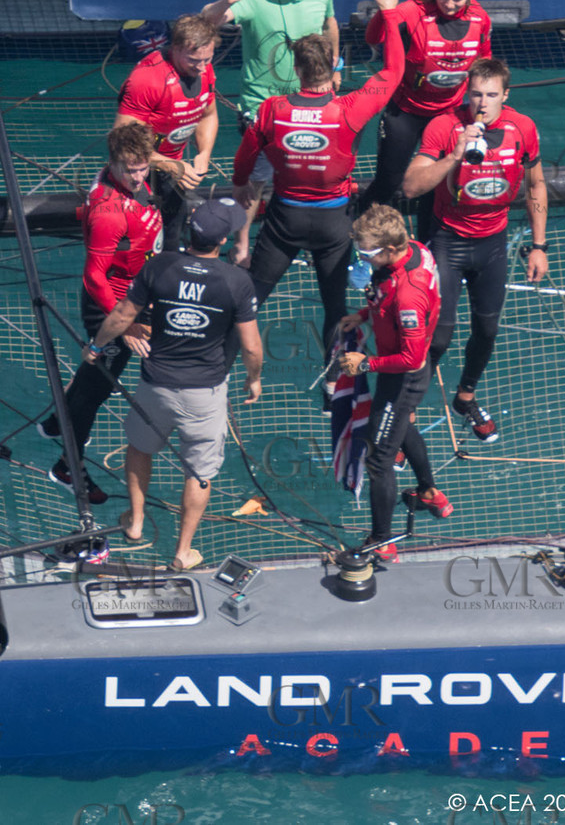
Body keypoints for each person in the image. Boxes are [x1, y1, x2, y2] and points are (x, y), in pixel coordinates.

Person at [82, 198, 262, 571]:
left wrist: (96, 346)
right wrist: (254, 377)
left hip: (156, 384)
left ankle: (134, 522)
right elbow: (250, 346)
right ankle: (182, 552)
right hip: (204, 393)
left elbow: (122, 315)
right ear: (223, 240)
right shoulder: (237, 281)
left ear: (192, 230)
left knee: (139, 448)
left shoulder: (160, 265)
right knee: (199, 473)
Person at [231, 29, 403, 352]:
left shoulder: (271, 109)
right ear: (335, 67)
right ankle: (332, 396)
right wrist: (390, 15)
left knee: (248, 301)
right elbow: (394, 71)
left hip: (284, 221)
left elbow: (246, 158)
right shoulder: (350, 108)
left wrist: (240, 183)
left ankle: (215, 377)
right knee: (336, 310)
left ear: (296, 70)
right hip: (334, 224)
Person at [402, 57, 546, 441]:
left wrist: (538, 245)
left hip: (492, 242)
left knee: (487, 328)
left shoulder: (523, 128)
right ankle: (406, 413)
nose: (483, 103)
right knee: (439, 336)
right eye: (477, 94)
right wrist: (454, 155)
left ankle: (465, 396)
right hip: (447, 239)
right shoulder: (444, 125)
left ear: (506, 95)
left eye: (492, 95)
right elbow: (412, 187)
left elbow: (536, 186)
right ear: (467, 93)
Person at [39, 122, 163, 504]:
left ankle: (54, 423)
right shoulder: (109, 213)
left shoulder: (140, 181)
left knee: (93, 374)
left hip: (136, 297)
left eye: (144, 167)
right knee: (96, 391)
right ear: (112, 163)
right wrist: (121, 326)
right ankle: (67, 467)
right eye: (130, 169)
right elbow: (93, 276)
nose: (138, 176)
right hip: (113, 306)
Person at [201, 0, 340, 265]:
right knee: (255, 181)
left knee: (301, 173)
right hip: (262, 109)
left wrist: (336, 67)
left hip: (310, 102)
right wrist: (227, 2)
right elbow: (205, 20)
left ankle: (293, 239)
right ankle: (242, 248)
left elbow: (330, 22)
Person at [336, 204, 449, 563]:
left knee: (379, 460)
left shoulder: (408, 295)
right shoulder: (416, 249)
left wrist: (364, 363)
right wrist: (365, 314)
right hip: (407, 369)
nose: (362, 258)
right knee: (402, 427)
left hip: (402, 377)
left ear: (387, 250)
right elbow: (384, 295)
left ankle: (382, 540)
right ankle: (430, 492)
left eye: (366, 253)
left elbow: (411, 358)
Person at [361, 0, 493, 233]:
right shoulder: (414, 10)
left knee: (435, 186)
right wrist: (384, 8)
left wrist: (484, 110)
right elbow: (373, 38)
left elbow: (485, 67)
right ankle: (360, 243)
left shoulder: (480, 18)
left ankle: (427, 250)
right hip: (406, 112)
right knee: (388, 182)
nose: (450, 5)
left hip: (447, 115)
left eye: (458, 0)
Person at [113, 12, 220, 252]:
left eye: (207, 58)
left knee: (171, 239)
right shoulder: (147, 79)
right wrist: (171, 166)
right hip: (135, 174)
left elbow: (209, 114)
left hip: (172, 172)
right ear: (176, 48)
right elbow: (123, 141)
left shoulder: (205, 70)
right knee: (137, 249)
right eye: (194, 60)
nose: (202, 67)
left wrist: (204, 154)